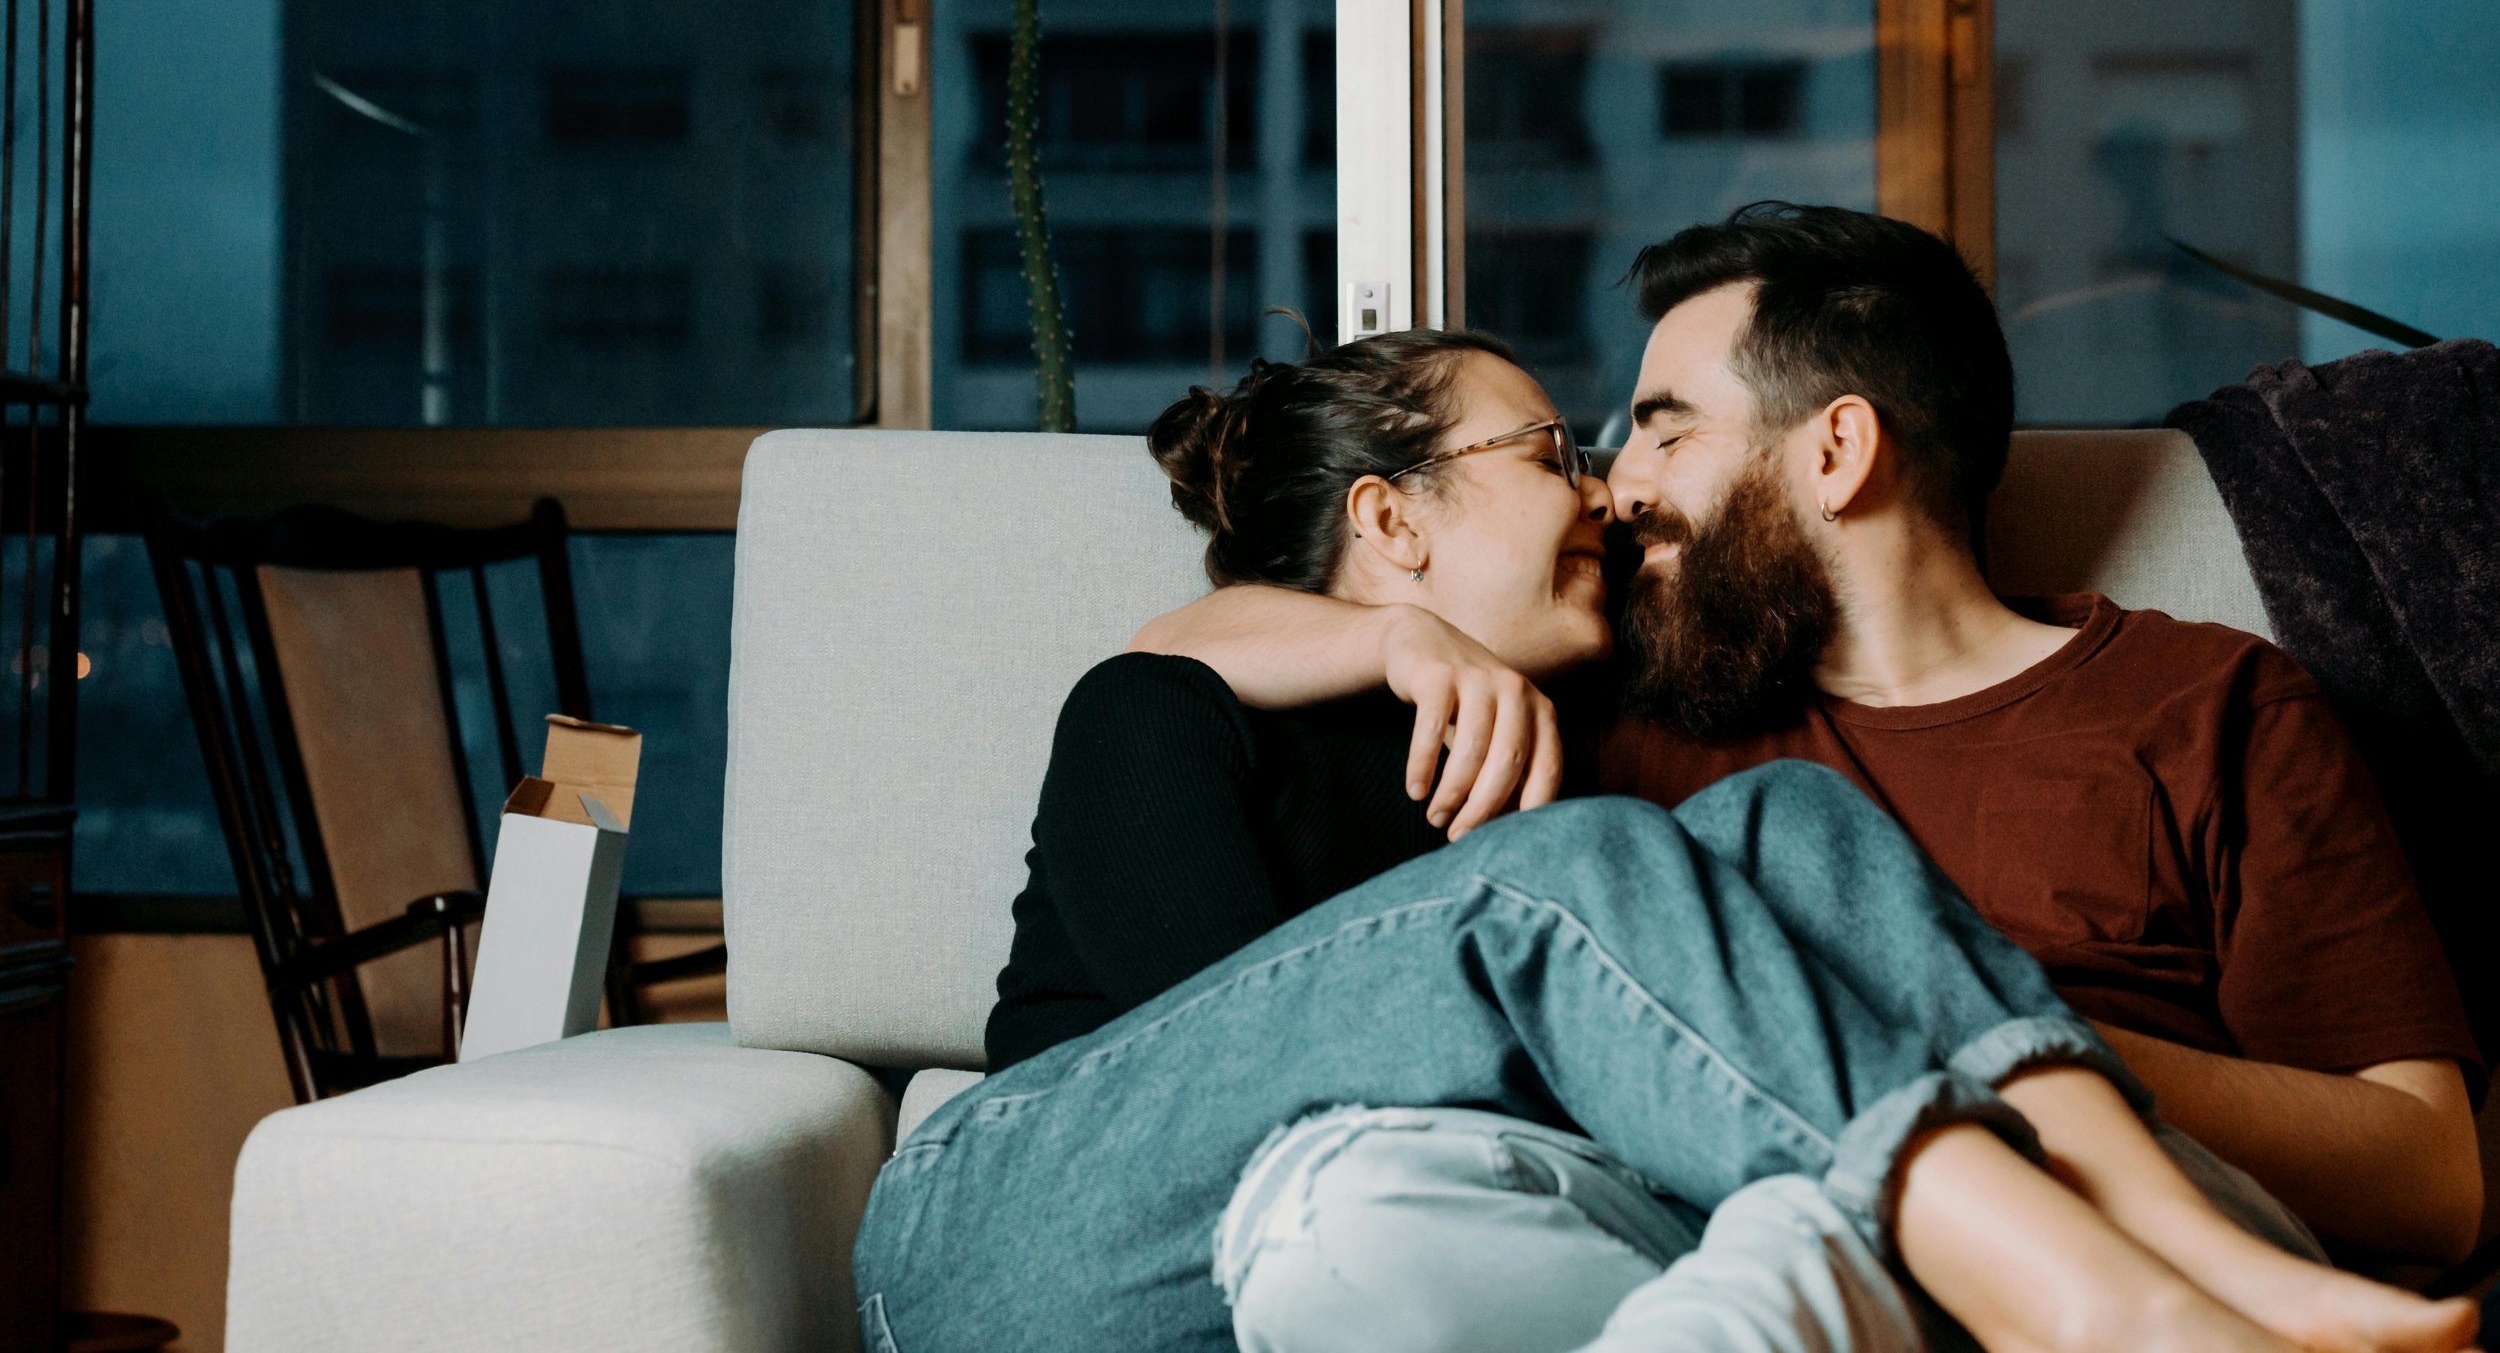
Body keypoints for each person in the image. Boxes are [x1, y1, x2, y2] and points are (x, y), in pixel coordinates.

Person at [848, 326, 2477, 1353]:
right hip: (1017, 1240)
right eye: (1551, 453)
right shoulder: (1173, 708)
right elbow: (1201, 1073)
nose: (1605, 496)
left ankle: (2183, 1254)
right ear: (1392, 518)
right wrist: (1384, 645)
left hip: (1381, 1228)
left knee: (1783, 822)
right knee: (1590, 872)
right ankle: (2074, 1296)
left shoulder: (1575, 737)